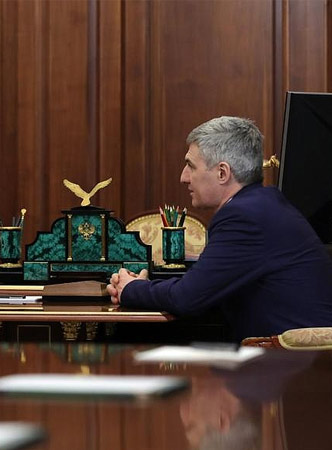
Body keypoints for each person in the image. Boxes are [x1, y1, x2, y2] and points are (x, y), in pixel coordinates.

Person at [107, 116, 332, 341]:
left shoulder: (244, 217)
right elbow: (201, 285)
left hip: (291, 359)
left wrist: (131, 289)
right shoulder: (261, 205)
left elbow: (187, 298)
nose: (183, 177)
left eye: (190, 166)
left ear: (222, 173)